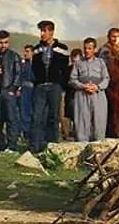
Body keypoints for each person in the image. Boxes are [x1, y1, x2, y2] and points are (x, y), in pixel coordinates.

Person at [30, 20, 70, 153]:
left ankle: (52, 146)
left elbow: (65, 70)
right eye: (41, 30)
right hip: (40, 86)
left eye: (44, 30)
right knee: (37, 116)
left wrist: (61, 85)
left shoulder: (62, 48)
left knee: (53, 117)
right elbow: (34, 68)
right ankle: (36, 146)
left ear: (51, 31)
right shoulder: (36, 49)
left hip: (55, 86)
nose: (42, 33)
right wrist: (36, 82)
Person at [69, 38, 110, 142]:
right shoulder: (78, 63)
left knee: (99, 122)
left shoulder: (101, 63)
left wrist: (98, 87)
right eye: (85, 48)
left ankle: (99, 147)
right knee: (82, 122)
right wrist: (83, 86)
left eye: (90, 48)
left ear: (95, 49)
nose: (87, 51)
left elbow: (106, 78)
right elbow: (72, 79)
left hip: (98, 94)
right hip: (82, 95)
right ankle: (82, 148)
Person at [0, 30, 22, 153]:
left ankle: (12, 146)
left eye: (5, 42)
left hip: (9, 91)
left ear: (9, 42)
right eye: (0, 43)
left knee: (11, 120)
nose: (3, 45)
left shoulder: (14, 56)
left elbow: (19, 74)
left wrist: (13, 89)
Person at [97, 27, 119, 138]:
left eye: (118, 36)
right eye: (113, 36)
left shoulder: (118, 51)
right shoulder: (105, 51)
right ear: (109, 37)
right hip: (110, 86)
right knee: (111, 112)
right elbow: (109, 68)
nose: (115, 39)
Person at [63, 48, 82, 140]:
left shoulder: (83, 69)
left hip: (80, 95)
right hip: (70, 95)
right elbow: (65, 82)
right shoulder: (67, 69)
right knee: (70, 115)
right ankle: (68, 134)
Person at [19, 45, 35, 142]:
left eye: (28, 51)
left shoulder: (36, 64)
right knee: (24, 111)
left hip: (34, 90)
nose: (25, 53)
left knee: (33, 111)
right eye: (25, 51)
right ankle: (26, 133)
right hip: (24, 90)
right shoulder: (23, 64)